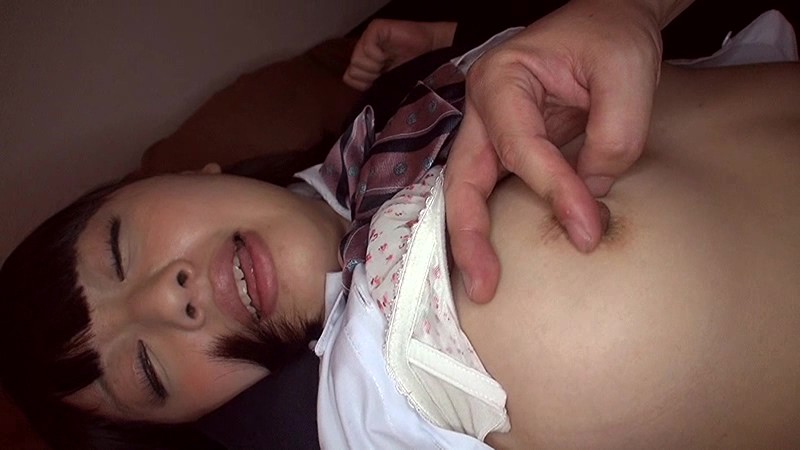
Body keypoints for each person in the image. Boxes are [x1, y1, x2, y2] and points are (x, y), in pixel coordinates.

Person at [2, 15, 800, 446]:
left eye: (119, 251)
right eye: (147, 370)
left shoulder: (381, 115)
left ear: (183, 174)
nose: (166, 298)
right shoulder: (365, 413)